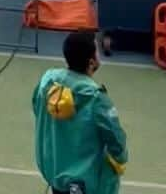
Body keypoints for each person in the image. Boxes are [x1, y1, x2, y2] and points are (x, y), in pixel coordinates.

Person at [32, 30, 129, 194]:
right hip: (84, 184)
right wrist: (118, 164)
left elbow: (37, 108)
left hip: (55, 175)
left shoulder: (48, 83)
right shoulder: (97, 99)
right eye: (97, 51)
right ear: (91, 62)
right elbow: (116, 141)